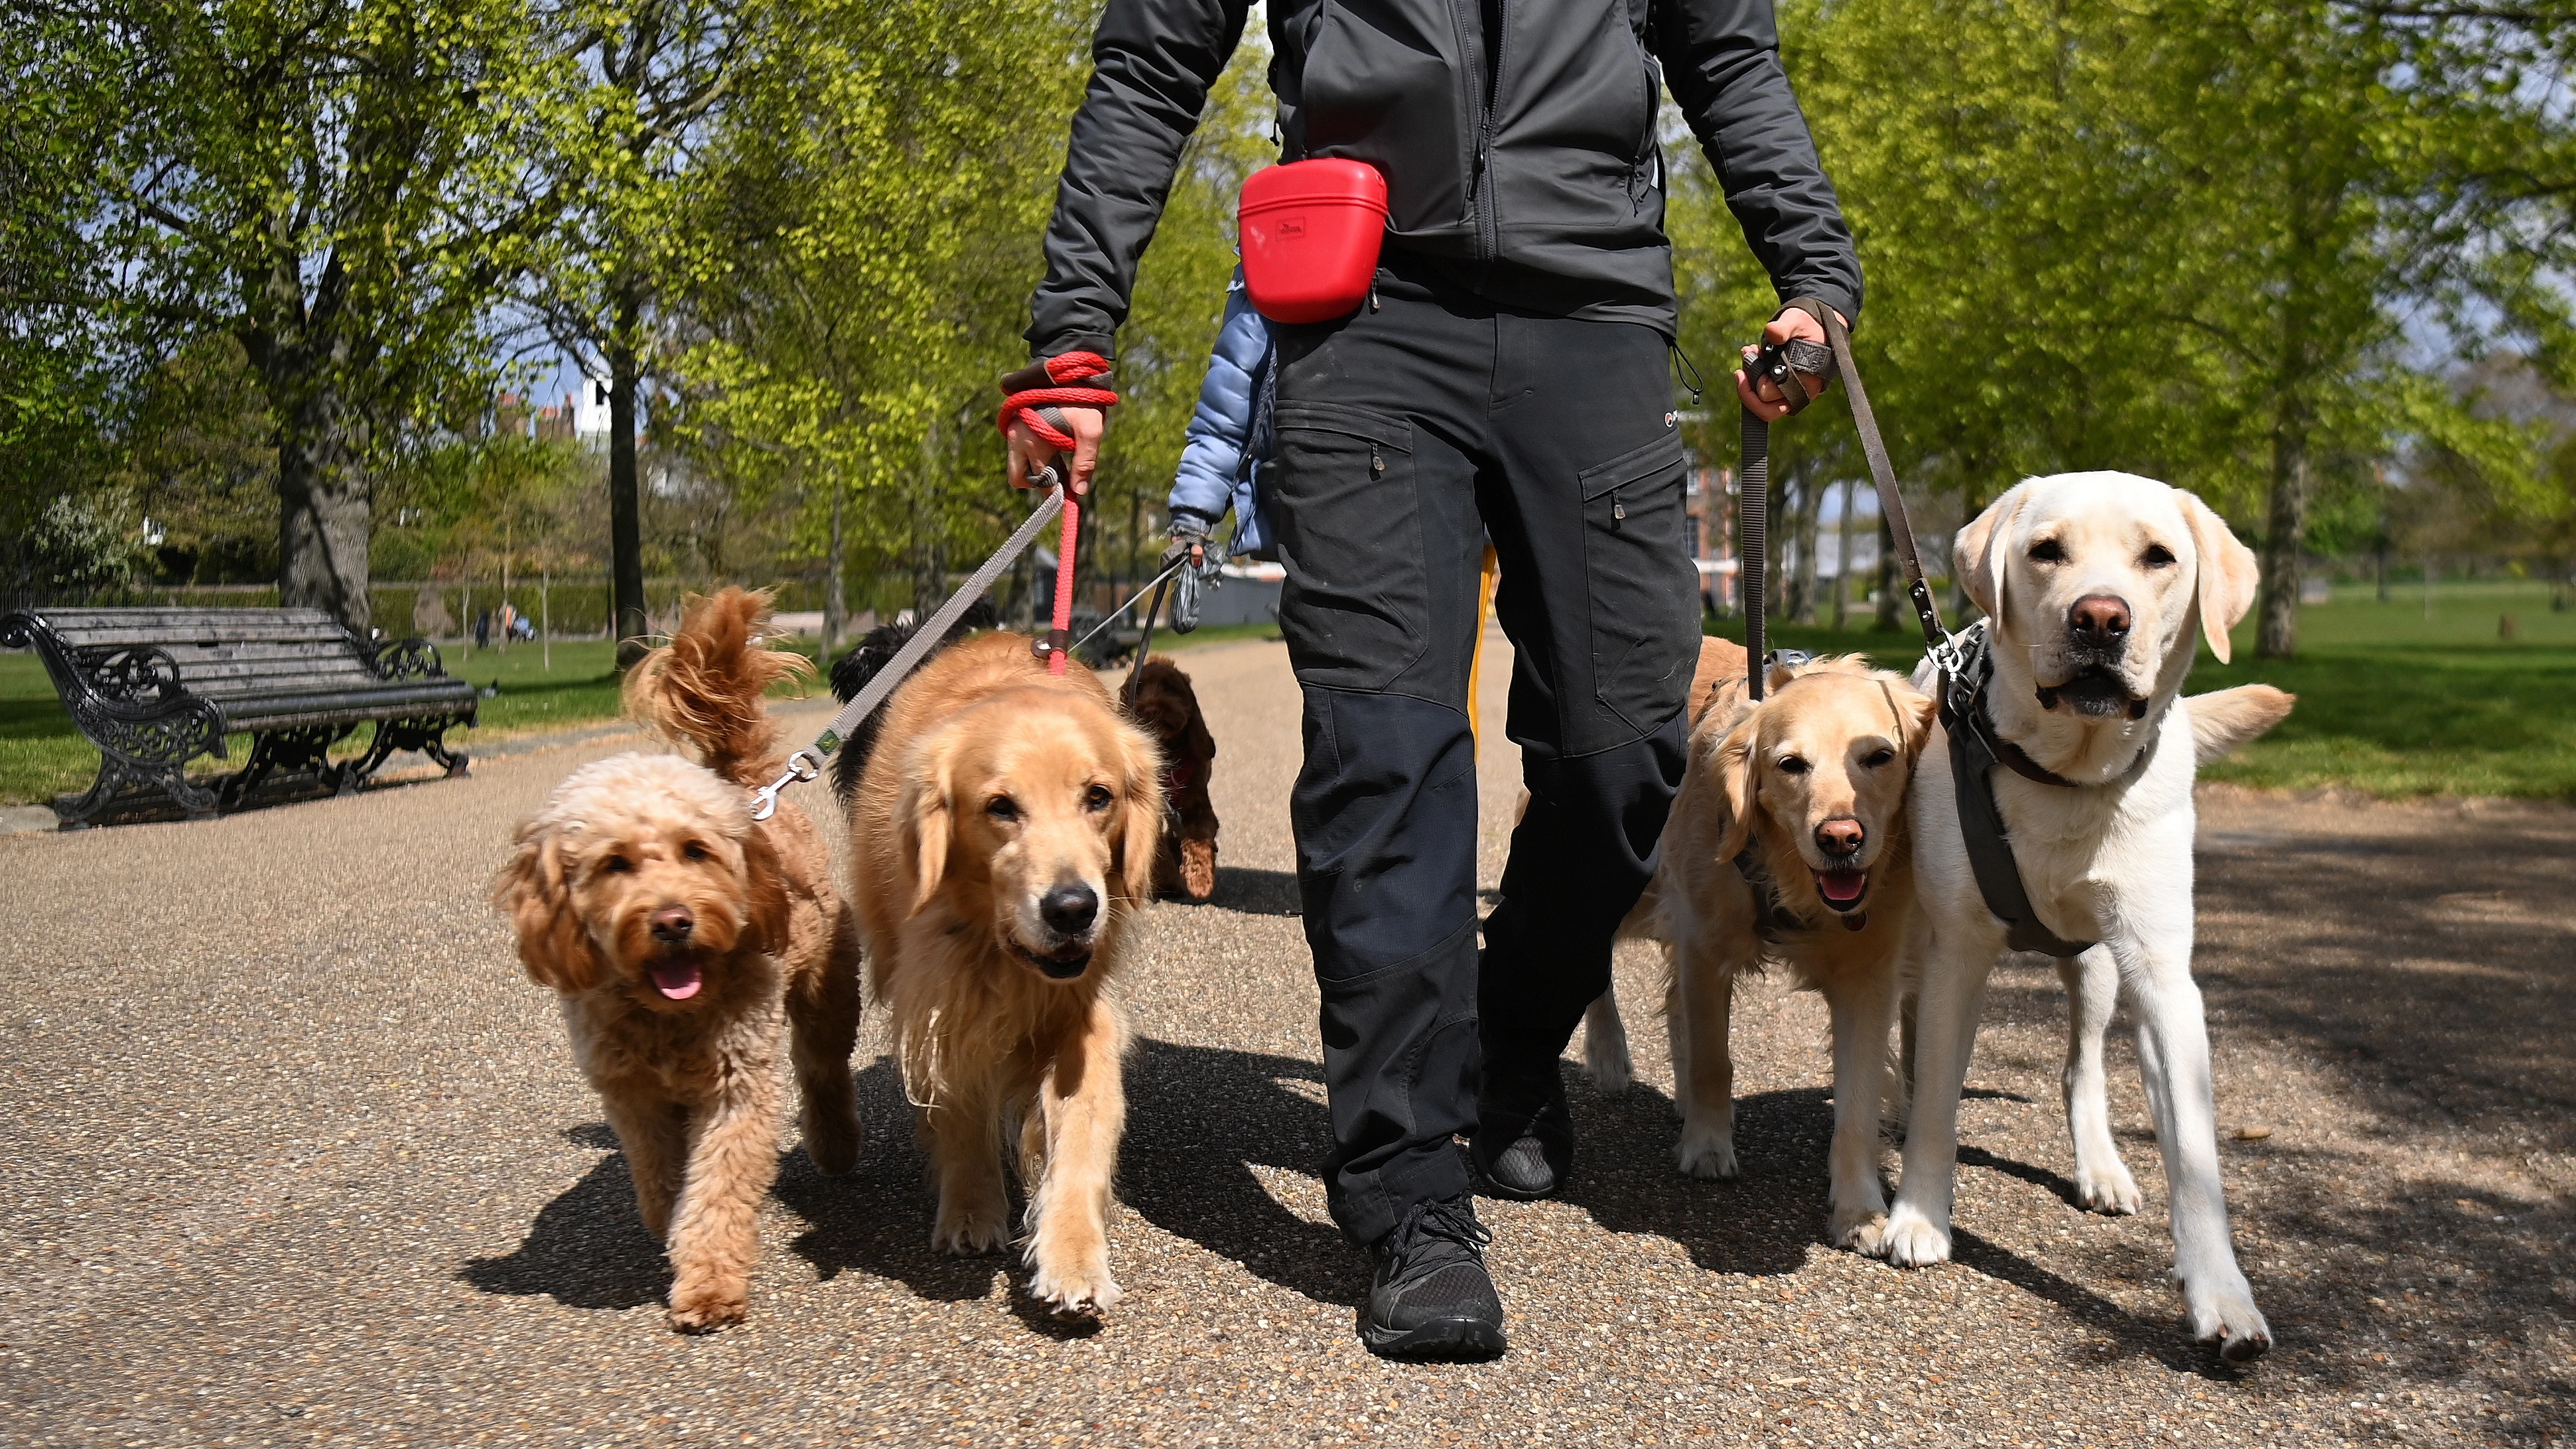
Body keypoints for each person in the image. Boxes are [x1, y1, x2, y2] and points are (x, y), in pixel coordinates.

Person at [1004, 0, 1862, 1361]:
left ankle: (1509, 1050)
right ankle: (1408, 1197)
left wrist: (1814, 271)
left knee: (1629, 750)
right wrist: (1073, 337)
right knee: (1385, 759)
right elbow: (1154, 58)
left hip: (1595, 309)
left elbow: (1725, 51)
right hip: (1360, 312)